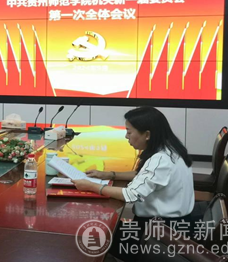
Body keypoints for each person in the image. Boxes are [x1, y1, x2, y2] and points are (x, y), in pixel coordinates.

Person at [73, 106, 194, 260]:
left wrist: (92, 186)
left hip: (160, 235)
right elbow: (143, 175)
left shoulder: (161, 160)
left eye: (129, 132)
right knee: (106, 225)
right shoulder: (169, 149)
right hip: (170, 225)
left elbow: (130, 195)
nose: (126, 136)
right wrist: (109, 174)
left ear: (147, 135)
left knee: (94, 232)